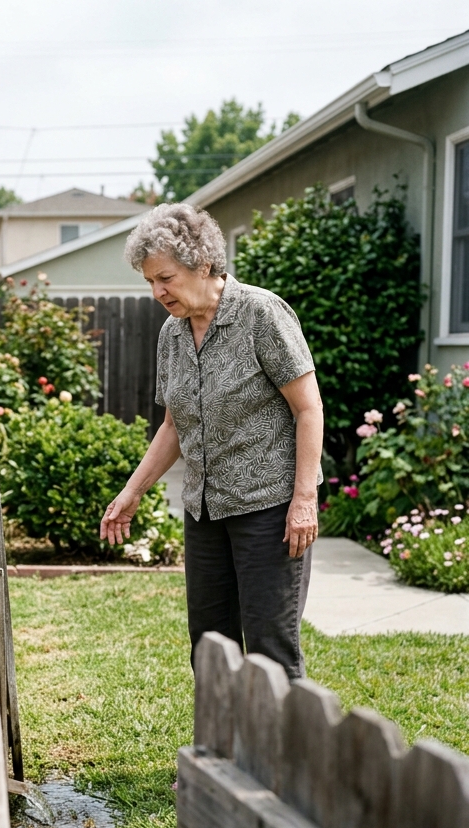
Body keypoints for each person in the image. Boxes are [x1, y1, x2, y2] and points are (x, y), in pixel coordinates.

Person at [100, 203, 323, 679]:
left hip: (268, 509)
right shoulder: (172, 334)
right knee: (210, 645)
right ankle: (218, 751)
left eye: (166, 278)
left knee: (270, 650)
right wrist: (131, 492)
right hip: (204, 511)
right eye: (150, 282)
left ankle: (277, 755)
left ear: (203, 265)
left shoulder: (262, 314)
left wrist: (305, 498)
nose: (158, 292)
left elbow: (309, 408)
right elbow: (173, 426)